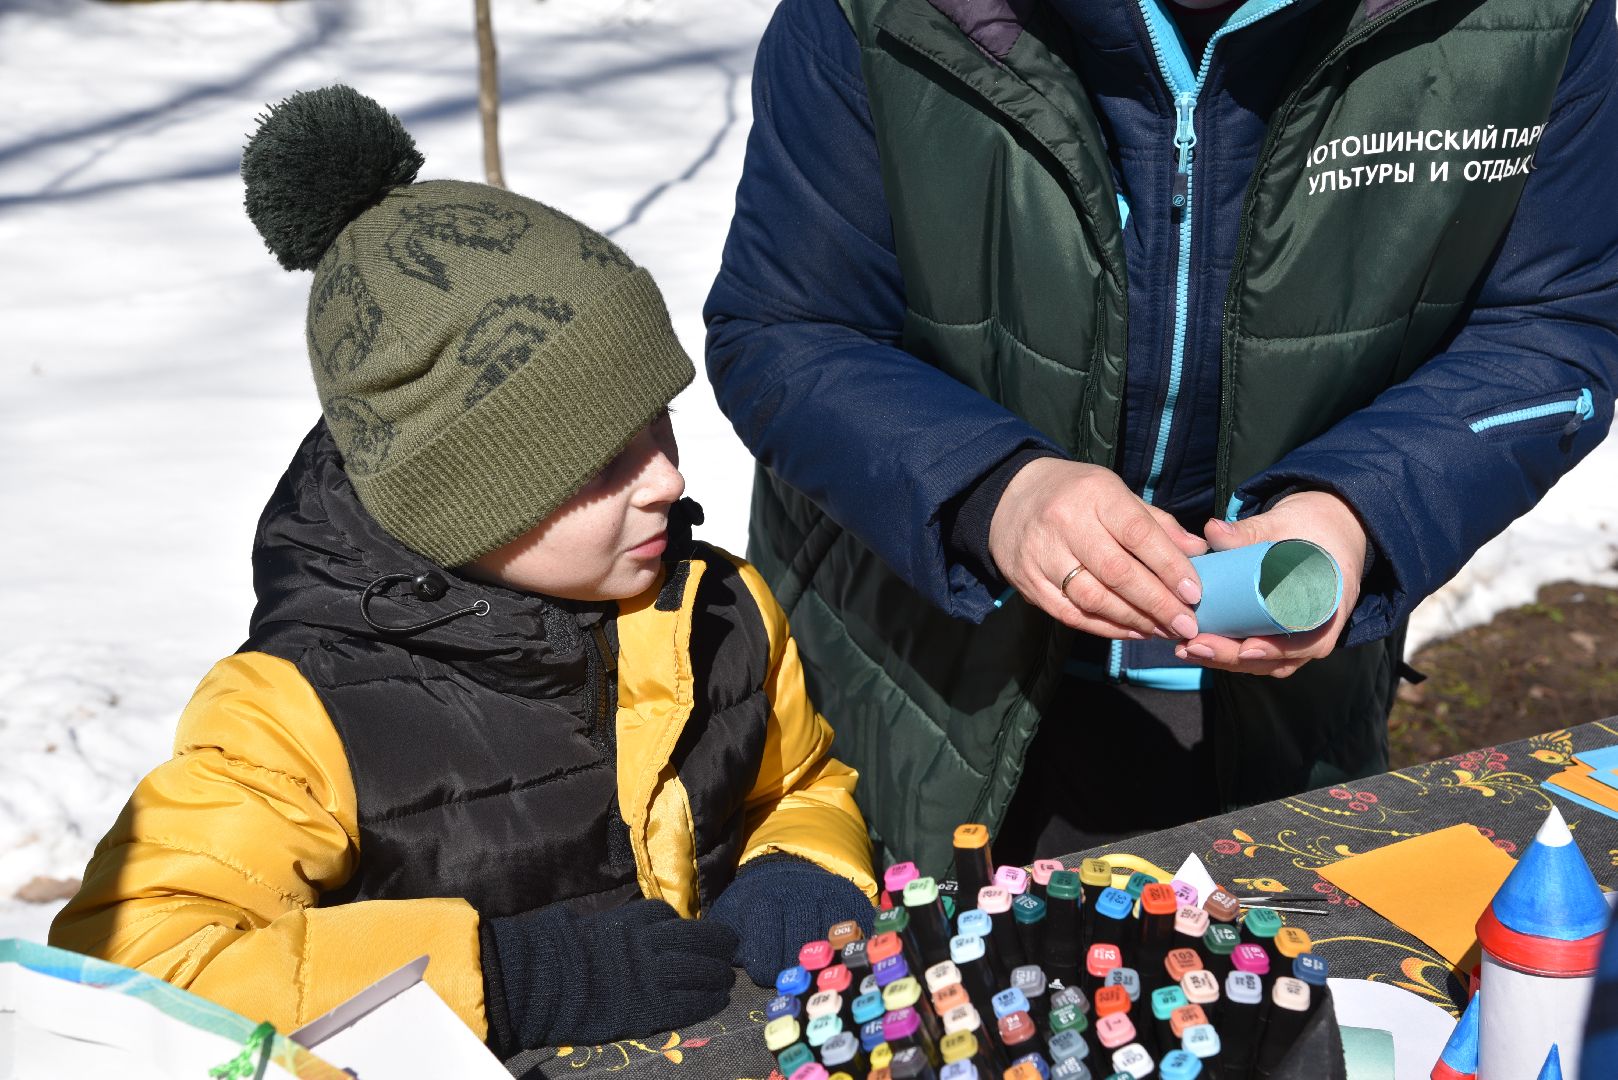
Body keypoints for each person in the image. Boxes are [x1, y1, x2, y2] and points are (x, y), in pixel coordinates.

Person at [48, 85, 876, 1055]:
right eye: (601, 460)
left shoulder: (717, 608)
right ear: (463, 496)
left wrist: (799, 865)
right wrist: (502, 977)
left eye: (662, 422)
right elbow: (136, 978)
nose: (669, 477)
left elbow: (795, 783)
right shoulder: (303, 715)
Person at [704, 0, 1618, 873]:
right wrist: (993, 490)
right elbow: (786, 329)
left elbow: (1554, 330)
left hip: (1285, 703)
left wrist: (1358, 510)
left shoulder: (1531, 21)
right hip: (910, 677)